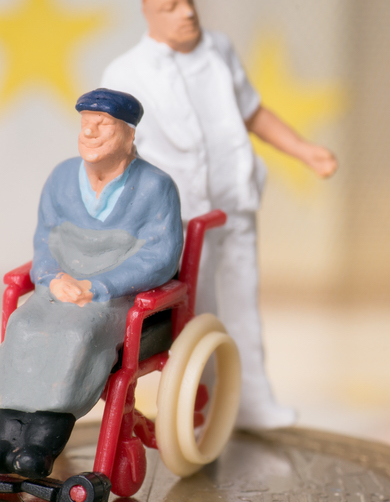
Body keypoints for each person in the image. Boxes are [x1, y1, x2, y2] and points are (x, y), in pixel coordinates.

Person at [101, 0, 337, 430]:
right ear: (147, 11)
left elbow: (253, 112)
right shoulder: (125, 72)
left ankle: (251, 399)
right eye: (171, 7)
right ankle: (202, 402)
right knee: (198, 313)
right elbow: (113, 151)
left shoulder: (219, 51)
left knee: (243, 304)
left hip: (234, 204)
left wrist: (304, 150)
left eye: (189, 3)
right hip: (180, 217)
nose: (186, 14)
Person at [0, 88, 184, 479]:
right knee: (24, 326)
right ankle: (3, 441)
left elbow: (159, 256)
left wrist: (99, 286)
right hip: (57, 289)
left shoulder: (157, 187)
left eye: (102, 125)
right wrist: (52, 278)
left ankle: (41, 444)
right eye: (86, 124)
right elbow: (44, 238)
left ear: (128, 135)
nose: (89, 133)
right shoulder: (61, 179)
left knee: (76, 333)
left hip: (115, 298)